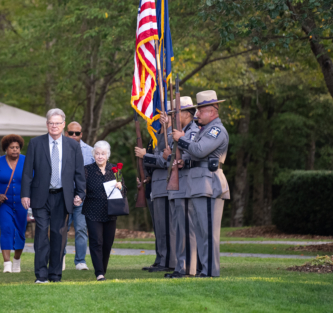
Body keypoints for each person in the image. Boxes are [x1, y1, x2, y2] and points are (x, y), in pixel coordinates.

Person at [21, 108, 86, 284]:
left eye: (57, 123)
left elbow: (79, 172)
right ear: (47, 124)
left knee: (59, 235)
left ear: (63, 125)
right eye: (51, 123)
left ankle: (55, 275)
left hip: (63, 197)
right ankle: (41, 275)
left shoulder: (72, 145)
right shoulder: (36, 143)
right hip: (41, 196)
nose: (54, 126)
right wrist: (25, 195)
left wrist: (80, 193)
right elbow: (27, 172)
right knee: (41, 234)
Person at [173, 90, 230, 278]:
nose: (196, 114)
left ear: (213, 111)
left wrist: (180, 139)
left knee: (208, 233)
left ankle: (210, 271)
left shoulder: (216, 130)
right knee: (201, 231)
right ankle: (204, 269)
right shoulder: (205, 130)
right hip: (199, 184)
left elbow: (199, 150)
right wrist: (184, 161)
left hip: (208, 184)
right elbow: (195, 155)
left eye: (200, 111)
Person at [135, 105, 176, 273]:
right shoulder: (158, 136)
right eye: (161, 115)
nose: (161, 118)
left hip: (166, 185)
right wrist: (146, 175)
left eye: (167, 115)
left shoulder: (172, 136)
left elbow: (166, 160)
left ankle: (167, 259)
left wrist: (145, 156)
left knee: (166, 226)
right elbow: (156, 158)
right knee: (158, 227)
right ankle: (160, 258)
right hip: (155, 184)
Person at [83, 141, 125, 281]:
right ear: (93, 154)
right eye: (97, 153)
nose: (100, 156)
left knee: (107, 243)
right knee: (96, 242)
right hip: (92, 211)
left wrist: (120, 187)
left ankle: (102, 270)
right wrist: (78, 196)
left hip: (110, 212)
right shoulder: (87, 170)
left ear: (108, 155)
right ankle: (99, 273)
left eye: (103, 153)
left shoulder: (115, 169)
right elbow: (81, 189)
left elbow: (124, 191)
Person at [62, 121, 92, 271]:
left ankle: (80, 261)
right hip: (63, 197)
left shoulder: (90, 151)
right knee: (62, 229)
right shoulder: (58, 148)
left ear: (82, 134)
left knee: (81, 229)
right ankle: (60, 259)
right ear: (66, 133)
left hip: (83, 197)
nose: (74, 136)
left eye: (77, 133)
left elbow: (93, 176)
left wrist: (84, 193)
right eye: (71, 133)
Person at [0, 135, 27, 273]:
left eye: (17, 147)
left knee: (20, 231)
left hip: (22, 203)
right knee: (6, 229)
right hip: (4, 204)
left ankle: (16, 261)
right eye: (12, 148)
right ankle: (7, 264)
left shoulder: (26, 161)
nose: (15, 150)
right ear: (5, 149)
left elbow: (33, 180)